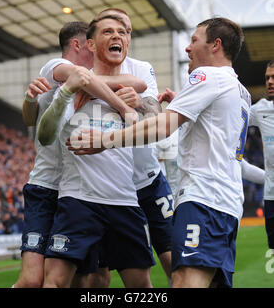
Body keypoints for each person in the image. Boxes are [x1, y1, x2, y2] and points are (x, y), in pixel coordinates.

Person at [70, 17, 250, 288]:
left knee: (184, 280)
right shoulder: (241, 90)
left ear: (216, 45)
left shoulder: (207, 76)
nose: (188, 49)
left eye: (194, 40)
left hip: (204, 199)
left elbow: (164, 125)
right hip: (228, 203)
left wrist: (105, 140)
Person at [14, 21, 141, 288]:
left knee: (88, 280)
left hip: (81, 191)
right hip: (49, 186)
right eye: (93, 43)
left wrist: (89, 82)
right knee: (32, 280)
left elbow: (136, 82)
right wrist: (118, 102)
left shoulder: (92, 81)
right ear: (79, 44)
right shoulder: (54, 67)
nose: (99, 50)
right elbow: (32, 122)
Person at [81, 8, 174, 287]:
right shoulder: (82, 75)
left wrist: (137, 102)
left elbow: (156, 112)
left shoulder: (141, 68)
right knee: (99, 276)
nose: (120, 34)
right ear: (95, 38)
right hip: (106, 190)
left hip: (148, 180)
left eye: (126, 30)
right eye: (112, 28)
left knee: (174, 260)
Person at [248, 60, 274, 251]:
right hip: (271, 195)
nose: (270, 82)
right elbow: (232, 118)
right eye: (267, 78)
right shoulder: (260, 109)